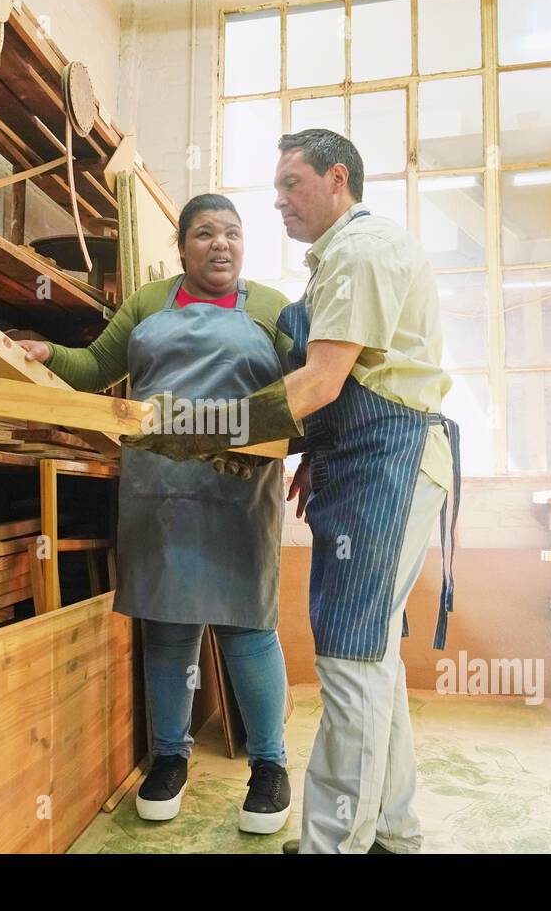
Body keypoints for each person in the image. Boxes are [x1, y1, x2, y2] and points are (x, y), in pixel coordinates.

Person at [127, 129, 460, 854]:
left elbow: (319, 382)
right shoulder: (339, 257)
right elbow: (342, 390)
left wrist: (205, 429)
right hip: (359, 460)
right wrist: (307, 448)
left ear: (337, 178)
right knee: (372, 661)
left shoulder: (361, 251)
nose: (277, 201)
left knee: (348, 661)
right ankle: (394, 836)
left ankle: (332, 845)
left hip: (389, 464)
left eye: (290, 185)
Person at [14, 194, 295, 834]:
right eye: (204, 234)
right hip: (159, 488)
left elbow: (308, 389)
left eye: (231, 233)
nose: (220, 245)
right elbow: (95, 368)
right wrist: (48, 355)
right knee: (168, 627)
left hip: (240, 491)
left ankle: (270, 767)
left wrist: (307, 456)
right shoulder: (147, 304)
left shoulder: (274, 308)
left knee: (247, 626)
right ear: (182, 246)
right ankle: (169, 758)